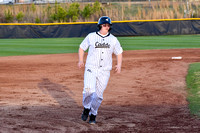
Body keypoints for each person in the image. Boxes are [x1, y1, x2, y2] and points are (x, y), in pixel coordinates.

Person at [78, 16, 123, 124]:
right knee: (88, 90)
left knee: (98, 96)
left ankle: (93, 114)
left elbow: (119, 52)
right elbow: (81, 47)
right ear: (100, 25)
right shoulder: (91, 36)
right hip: (91, 68)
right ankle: (86, 108)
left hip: (105, 71)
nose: (106, 27)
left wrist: (119, 65)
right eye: (104, 25)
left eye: (108, 25)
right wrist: (80, 60)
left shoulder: (113, 39)